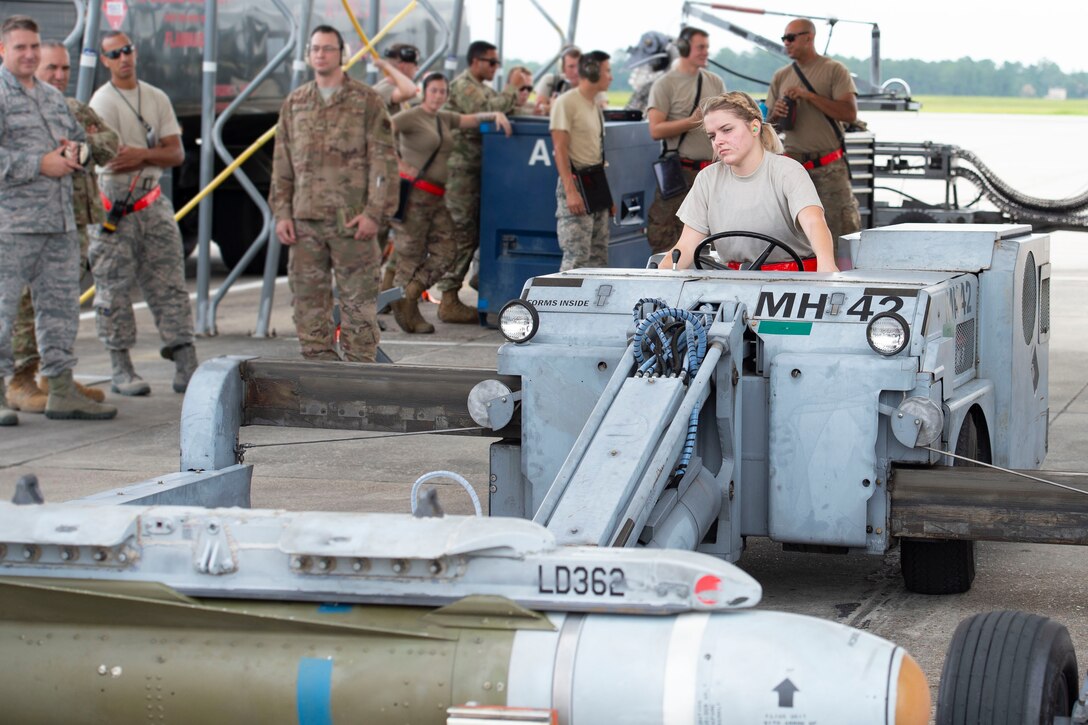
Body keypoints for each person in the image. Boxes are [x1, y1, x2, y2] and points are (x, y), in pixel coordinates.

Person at [0, 16, 116, 424]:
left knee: (60, 310)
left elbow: (84, 143)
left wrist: (72, 153)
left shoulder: (51, 98)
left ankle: (61, 389)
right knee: (4, 311)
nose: (29, 54)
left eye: (34, 46)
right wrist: (39, 163)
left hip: (60, 223)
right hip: (11, 225)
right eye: (20, 48)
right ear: (3, 51)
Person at [270, 25, 398, 362]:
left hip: (352, 224)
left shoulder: (366, 101)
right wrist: (281, 212)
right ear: (308, 54)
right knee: (309, 304)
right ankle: (320, 376)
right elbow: (282, 164)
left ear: (341, 54)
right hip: (304, 224)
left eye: (328, 48)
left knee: (359, 307)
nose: (321, 54)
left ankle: (359, 383)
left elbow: (384, 163)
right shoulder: (295, 104)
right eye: (315, 49)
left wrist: (374, 214)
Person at [88, 30, 198, 396]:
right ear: (105, 60)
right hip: (114, 206)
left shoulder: (155, 97)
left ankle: (185, 362)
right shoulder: (102, 102)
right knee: (113, 289)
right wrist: (152, 153)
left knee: (170, 285)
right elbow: (114, 159)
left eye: (127, 50)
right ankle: (121, 368)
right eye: (115, 53)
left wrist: (142, 154)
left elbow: (176, 154)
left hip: (151, 200)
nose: (124, 58)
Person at [390, 73, 512, 334]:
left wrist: (494, 115)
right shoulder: (411, 116)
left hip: (438, 196)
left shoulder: (443, 118)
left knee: (448, 250)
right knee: (409, 255)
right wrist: (398, 163)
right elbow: (380, 132)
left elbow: (472, 119)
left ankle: (409, 293)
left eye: (442, 91)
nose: (438, 96)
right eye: (433, 91)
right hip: (415, 195)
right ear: (424, 92)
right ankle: (405, 312)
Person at [666, 92, 838, 273]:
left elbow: (813, 222)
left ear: (755, 128)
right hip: (732, 284)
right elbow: (685, 247)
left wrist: (826, 267)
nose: (718, 141)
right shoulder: (707, 179)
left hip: (794, 283)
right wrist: (654, 281)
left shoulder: (787, 171)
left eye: (727, 130)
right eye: (712, 136)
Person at [435, 40, 530, 324]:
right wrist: (513, 87)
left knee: (480, 231)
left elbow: (500, 108)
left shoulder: (482, 89)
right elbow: (489, 108)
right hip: (460, 174)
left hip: (480, 172)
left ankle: (480, 278)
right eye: (492, 62)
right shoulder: (464, 87)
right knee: (462, 234)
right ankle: (447, 297)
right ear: (476, 61)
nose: (495, 67)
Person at [765, 17, 861, 242]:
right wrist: (776, 114)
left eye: (790, 38)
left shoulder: (834, 70)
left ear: (809, 37)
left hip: (829, 167)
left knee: (840, 230)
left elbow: (849, 114)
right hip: (794, 168)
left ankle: (842, 275)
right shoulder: (780, 76)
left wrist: (809, 96)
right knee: (793, 234)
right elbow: (769, 128)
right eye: (784, 38)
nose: (786, 43)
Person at [645, 26, 726, 254]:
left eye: (707, 47)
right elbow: (655, 129)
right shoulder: (665, 84)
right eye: (701, 47)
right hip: (680, 174)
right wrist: (692, 122)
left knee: (706, 243)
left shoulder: (715, 82)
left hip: (710, 173)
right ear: (683, 48)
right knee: (666, 238)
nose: (705, 52)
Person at [549, 50, 614, 272]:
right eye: (607, 71)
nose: (611, 76)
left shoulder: (593, 104)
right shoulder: (566, 103)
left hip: (595, 182)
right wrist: (570, 190)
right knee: (576, 257)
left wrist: (607, 197)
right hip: (577, 183)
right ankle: (565, 307)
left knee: (598, 256)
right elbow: (560, 148)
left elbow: (596, 152)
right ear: (591, 71)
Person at [533, 46, 581, 115]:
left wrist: (555, 107)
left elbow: (600, 106)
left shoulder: (592, 85)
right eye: (571, 66)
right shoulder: (550, 80)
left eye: (579, 66)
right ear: (562, 68)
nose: (576, 71)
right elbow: (538, 109)